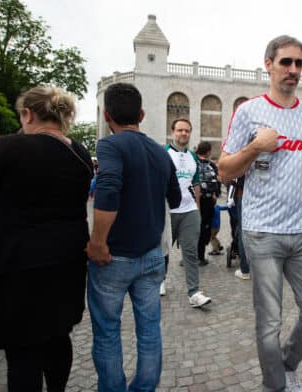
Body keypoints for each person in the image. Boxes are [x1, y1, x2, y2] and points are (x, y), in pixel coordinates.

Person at [0, 86, 93, 392]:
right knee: (58, 336)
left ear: (28, 114)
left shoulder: (10, 149)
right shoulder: (80, 153)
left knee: (22, 350)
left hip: (17, 265)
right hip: (66, 262)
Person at [218, 34, 302, 392]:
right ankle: (275, 386)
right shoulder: (249, 112)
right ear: (268, 64)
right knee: (269, 323)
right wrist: (256, 146)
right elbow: (224, 170)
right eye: (286, 62)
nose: (293, 70)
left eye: (299, 63)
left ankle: (285, 366)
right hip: (261, 233)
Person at [85, 83, 181, 391]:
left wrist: (97, 241)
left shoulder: (110, 145)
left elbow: (109, 186)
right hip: (152, 256)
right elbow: (176, 199)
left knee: (107, 331)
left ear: (106, 114)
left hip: (114, 256)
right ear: (141, 114)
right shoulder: (160, 151)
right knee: (150, 330)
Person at [165, 119, 212, 307]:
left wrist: (197, 210)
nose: (183, 133)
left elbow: (196, 184)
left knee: (191, 252)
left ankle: (194, 292)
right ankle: (160, 280)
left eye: (187, 130)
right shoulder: (163, 153)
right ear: (173, 132)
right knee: (163, 250)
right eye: (179, 130)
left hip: (189, 210)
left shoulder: (193, 156)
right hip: (168, 210)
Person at [195, 141, 220, 266]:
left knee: (194, 228)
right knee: (204, 228)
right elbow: (217, 182)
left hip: (196, 201)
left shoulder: (193, 162)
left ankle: (192, 257)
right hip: (206, 202)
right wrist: (215, 194)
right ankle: (199, 257)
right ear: (208, 152)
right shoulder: (211, 165)